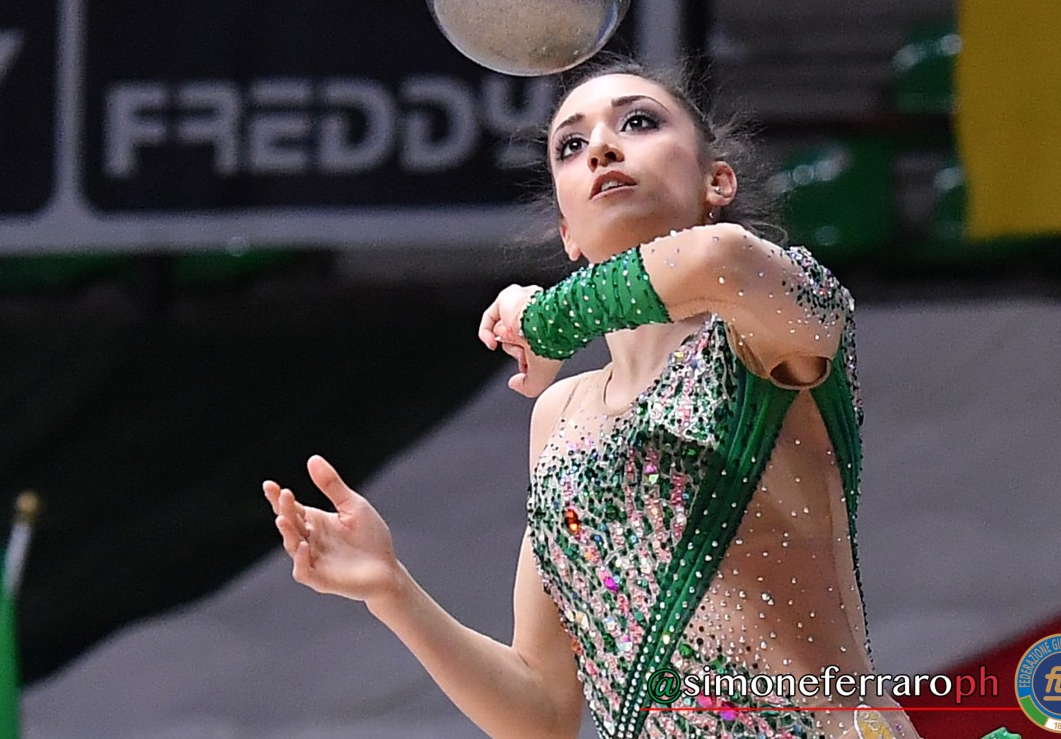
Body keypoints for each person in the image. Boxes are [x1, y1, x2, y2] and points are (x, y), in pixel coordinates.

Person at [262, 56, 933, 739]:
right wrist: (392, 590)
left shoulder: (769, 329)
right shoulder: (559, 417)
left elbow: (719, 261)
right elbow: (543, 712)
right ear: (567, 235)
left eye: (638, 122)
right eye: (571, 145)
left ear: (718, 182)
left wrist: (554, 317)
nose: (603, 148)